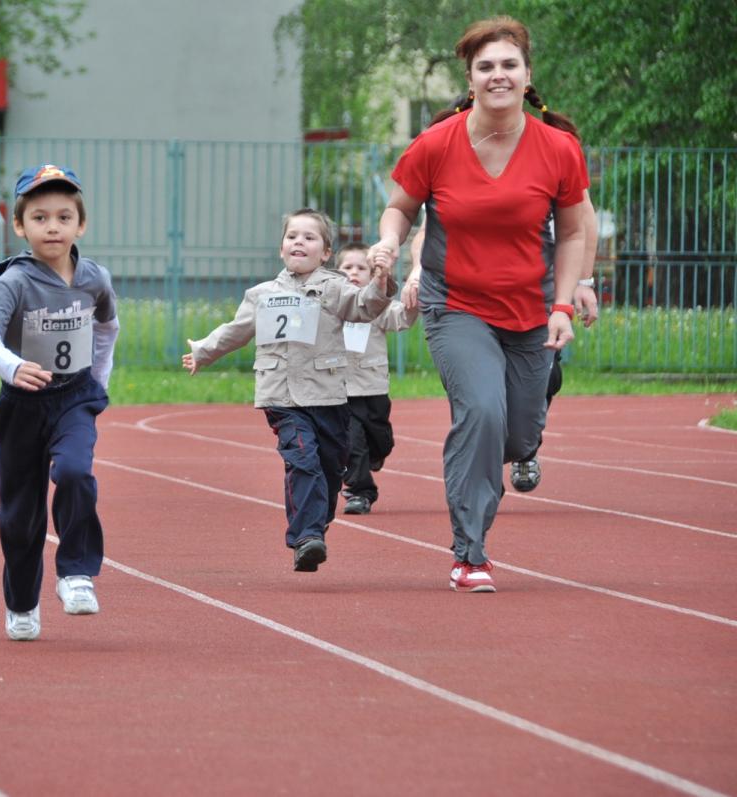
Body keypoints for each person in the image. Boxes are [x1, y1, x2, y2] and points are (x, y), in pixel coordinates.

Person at [368, 16, 590, 593]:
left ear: (526, 75)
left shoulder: (558, 149)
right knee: (481, 415)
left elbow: (571, 234)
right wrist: (390, 241)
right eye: (486, 67)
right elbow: (400, 207)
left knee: (516, 436)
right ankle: (470, 552)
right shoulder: (436, 144)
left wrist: (563, 305)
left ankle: (536, 406)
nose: (498, 75)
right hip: (455, 304)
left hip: (532, 309)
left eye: (508, 65)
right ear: (470, 80)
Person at [404, 95, 601, 495]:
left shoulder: (553, 149)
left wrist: (583, 282)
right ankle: (482, 443)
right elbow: (427, 232)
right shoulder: (448, 156)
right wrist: (416, 271)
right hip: (467, 295)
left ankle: (524, 444)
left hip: (539, 289)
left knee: (539, 383)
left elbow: (582, 225)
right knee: (481, 395)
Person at [183, 209, 394, 573]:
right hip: (282, 396)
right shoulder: (262, 294)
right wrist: (204, 351)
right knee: (302, 459)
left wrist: (379, 281)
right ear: (281, 248)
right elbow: (237, 330)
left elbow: (364, 308)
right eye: (292, 236)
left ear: (326, 252)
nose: (299, 242)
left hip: (327, 394)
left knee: (329, 469)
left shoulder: (335, 287)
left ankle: (317, 521)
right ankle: (306, 536)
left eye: (310, 237)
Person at [0, 164, 120, 641]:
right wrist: (12, 368)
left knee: (76, 472)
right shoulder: (13, 283)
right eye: (39, 217)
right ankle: (21, 601)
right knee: (21, 515)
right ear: (20, 226)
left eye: (63, 216)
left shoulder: (95, 278)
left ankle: (76, 572)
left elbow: (106, 328)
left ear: (81, 224)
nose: (52, 227)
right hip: (22, 406)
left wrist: (98, 381)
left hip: (74, 398)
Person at [330, 242, 418, 515]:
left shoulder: (376, 307)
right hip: (341, 390)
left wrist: (415, 300)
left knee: (381, 440)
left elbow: (402, 318)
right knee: (352, 441)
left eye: (361, 267)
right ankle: (360, 491)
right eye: (347, 267)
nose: (354, 272)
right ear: (336, 273)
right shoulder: (331, 306)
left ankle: (376, 455)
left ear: (372, 274)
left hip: (373, 387)